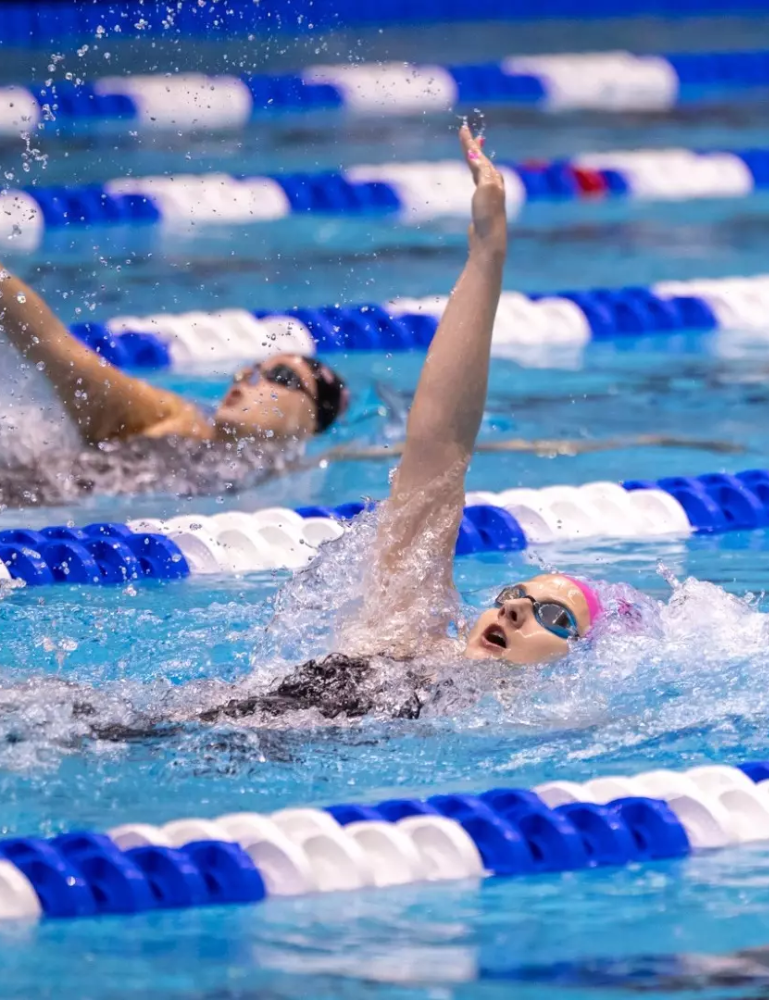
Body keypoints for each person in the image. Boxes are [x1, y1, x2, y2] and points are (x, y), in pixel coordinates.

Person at [205, 124, 618, 726]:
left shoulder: (536, 722)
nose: (513, 613)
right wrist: (487, 253)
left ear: (576, 662)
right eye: (513, 598)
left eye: (554, 619)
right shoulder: (409, 629)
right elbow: (440, 444)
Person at [0, 275, 349, 446]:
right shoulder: (172, 417)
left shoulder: (292, 470)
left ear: (311, 421)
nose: (246, 382)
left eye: (283, 377)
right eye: (247, 372)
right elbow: (55, 347)